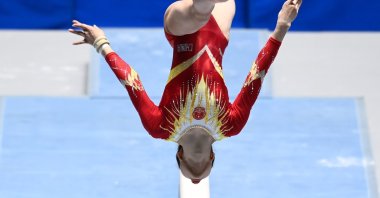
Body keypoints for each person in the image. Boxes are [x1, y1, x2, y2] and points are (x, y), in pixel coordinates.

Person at [69, 0, 302, 184]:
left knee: (200, 12)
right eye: (203, 172)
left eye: (190, 172)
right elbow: (257, 74)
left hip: (181, 31)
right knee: (218, 5)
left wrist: (102, 44)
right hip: (219, 33)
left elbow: (132, 83)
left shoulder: (160, 128)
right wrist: (283, 26)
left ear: (180, 156)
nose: (197, 176)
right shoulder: (231, 126)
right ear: (212, 158)